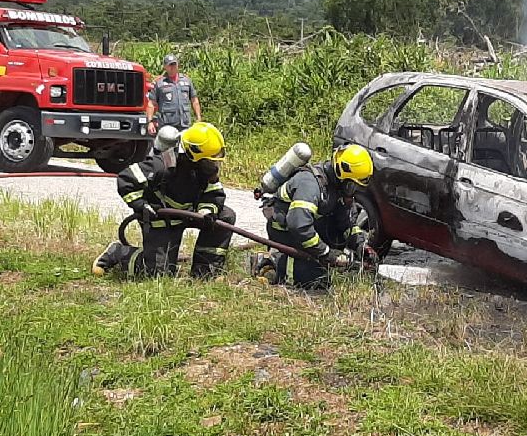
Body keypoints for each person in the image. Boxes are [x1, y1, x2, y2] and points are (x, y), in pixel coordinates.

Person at [92, 122, 236, 279]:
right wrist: (142, 206)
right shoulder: (163, 164)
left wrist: (207, 211)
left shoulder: (204, 168)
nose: (213, 165)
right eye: (209, 160)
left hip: (188, 213)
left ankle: (205, 272)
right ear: (194, 154)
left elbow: (214, 192)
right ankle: (117, 253)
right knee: (158, 274)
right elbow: (127, 179)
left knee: (225, 216)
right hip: (161, 219)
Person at [265, 144, 377, 288]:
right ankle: (273, 261)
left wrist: (361, 245)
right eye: (352, 186)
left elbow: (346, 223)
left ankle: (310, 262)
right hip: (286, 233)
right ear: (341, 175)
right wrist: (326, 253)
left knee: (336, 269)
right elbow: (299, 226)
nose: (354, 191)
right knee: (318, 278)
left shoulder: (337, 188)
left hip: (308, 229)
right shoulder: (309, 185)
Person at [146, 54, 201, 135]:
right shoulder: (159, 83)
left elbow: (194, 100)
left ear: (177, 65)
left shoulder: (186, 81)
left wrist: (198, 118)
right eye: (170, 65)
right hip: (167, 126)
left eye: (174, 64)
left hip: (184, 125)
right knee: (168, 146)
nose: (172, 67)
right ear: (165, 67)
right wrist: (150, 122)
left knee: (185, 146)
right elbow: (151, 104)